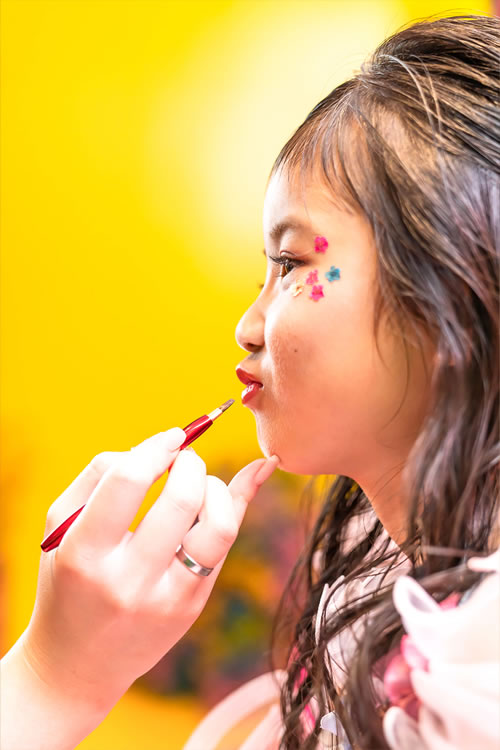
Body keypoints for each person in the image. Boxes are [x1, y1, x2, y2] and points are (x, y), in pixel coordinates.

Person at [1, 12, 498, 750]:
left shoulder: (475, 680)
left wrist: (54, 682)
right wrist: (55, 674)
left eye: (292, 264)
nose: (247, 326)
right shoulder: (378, 607)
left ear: (455, 295)